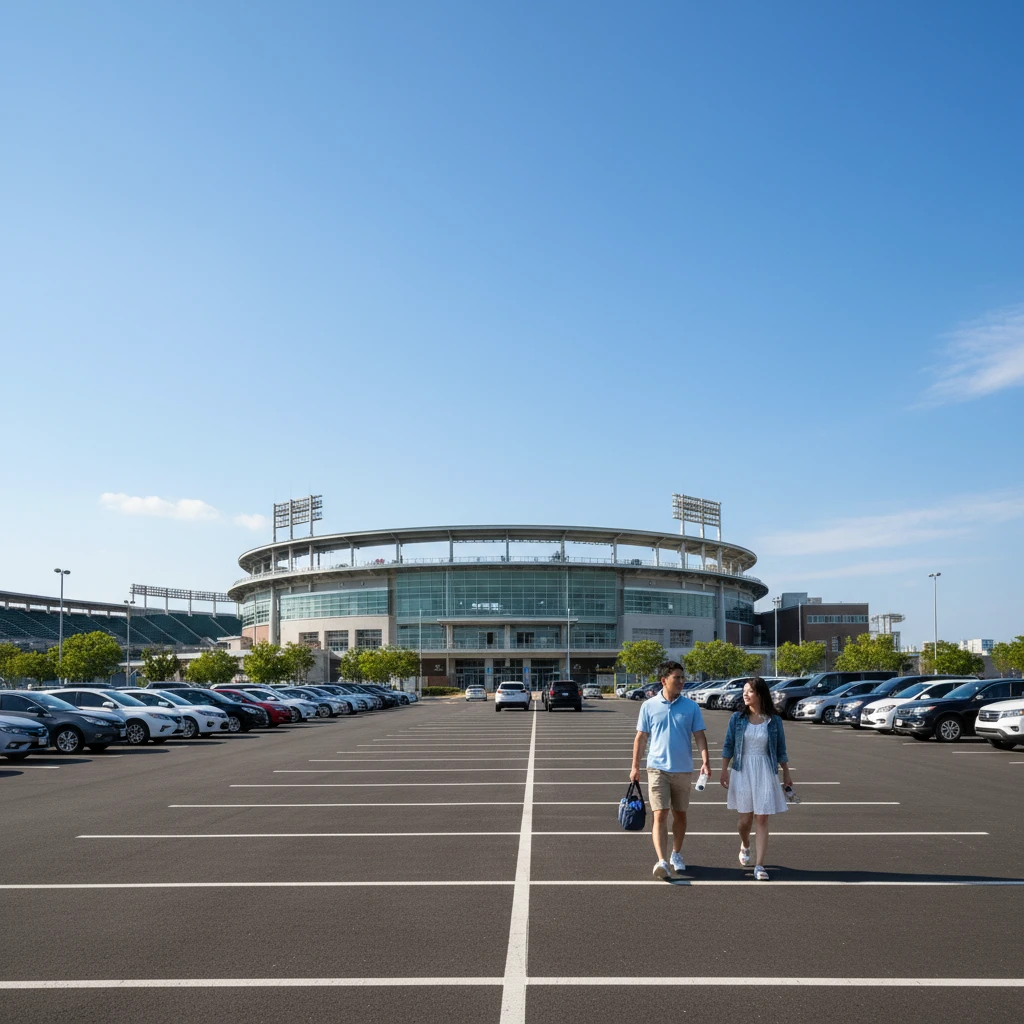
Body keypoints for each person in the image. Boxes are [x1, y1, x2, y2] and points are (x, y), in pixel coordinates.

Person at [630, 661, 711, 879]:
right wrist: (635, 766)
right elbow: (641, 737)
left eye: (683, 677)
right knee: (660, 814)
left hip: (683, 770)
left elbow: (699, 736)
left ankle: (676, 853)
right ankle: (662, 861)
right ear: (664, 680)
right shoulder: (648, 706)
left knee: (681, 815)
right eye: (677, 677)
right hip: (657, 768)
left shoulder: (691, 707)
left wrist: (705, 761)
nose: (682, 681)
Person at [719, 677, 792, 881]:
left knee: (762, 817)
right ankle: (745, 844)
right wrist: (724, 770)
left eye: (749, 691)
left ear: (760, 694)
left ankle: (759, 865)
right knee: (744, 820)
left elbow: (780, 750)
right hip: (742, 770)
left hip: (766, 770)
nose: (745, 694)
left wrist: (786, 771)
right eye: (744, 691)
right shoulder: (737, 719)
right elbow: (728, 745)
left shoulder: (774, 720)